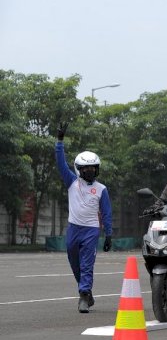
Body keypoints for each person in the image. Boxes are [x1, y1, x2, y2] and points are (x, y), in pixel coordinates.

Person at [55, 122, 113, 313]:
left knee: (87, 264)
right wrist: (60, 141)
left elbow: (106, 213)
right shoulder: (72, 182)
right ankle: (87, 292)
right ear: (79, 169)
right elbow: (60, 163)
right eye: (86, 169)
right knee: (74, 262)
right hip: (73, 228)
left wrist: (109, 235)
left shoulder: (101, 189)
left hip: (91, 230)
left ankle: (83, 296)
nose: (90, 172)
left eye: (93, 168)